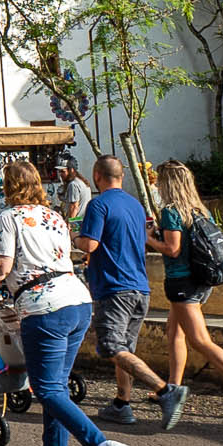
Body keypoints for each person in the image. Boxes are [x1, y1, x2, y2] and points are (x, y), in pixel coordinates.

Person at [0, 157, 128, 446]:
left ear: (7, 187)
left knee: (48, 388)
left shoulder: (8, 219)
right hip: (77, 301)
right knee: (58, 386)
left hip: (44, 307)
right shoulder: (55, 216)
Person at [147, 160, 223, 425]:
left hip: (183, 284)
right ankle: (171, 388)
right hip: (201, 283)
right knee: (174, 332)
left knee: (201, 341)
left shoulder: (171, 211)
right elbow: (217, 248)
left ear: (167, 184)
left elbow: (173, 249)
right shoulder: (200, 210)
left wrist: (148, 238)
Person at [75, 155, 168, 424]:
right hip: (140, 287)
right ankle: (121, 403)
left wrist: (74, 237)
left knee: (113, 347)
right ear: (122, 176)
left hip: (115, 288)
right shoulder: (136, 205)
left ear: (96, 177)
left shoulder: (98, 204)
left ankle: (164, 389)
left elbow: (90, 245)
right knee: (125, 350)